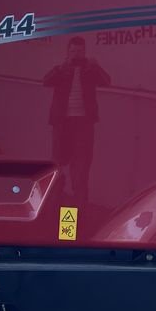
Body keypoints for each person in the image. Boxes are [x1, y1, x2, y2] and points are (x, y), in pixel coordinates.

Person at [43, 37, 109, 201]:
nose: (76, 55)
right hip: (62, 124)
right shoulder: (62, 69)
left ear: (84, 52)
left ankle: (76, 217)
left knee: (80, 170)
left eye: (79, 51)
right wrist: (62, 67)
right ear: (67, 52)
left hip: (83, 125)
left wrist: (96, 66)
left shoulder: (89, 70)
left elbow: (107, 81)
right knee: (57, 166)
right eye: (73, 51)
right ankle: (55, 207)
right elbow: (46, 81)